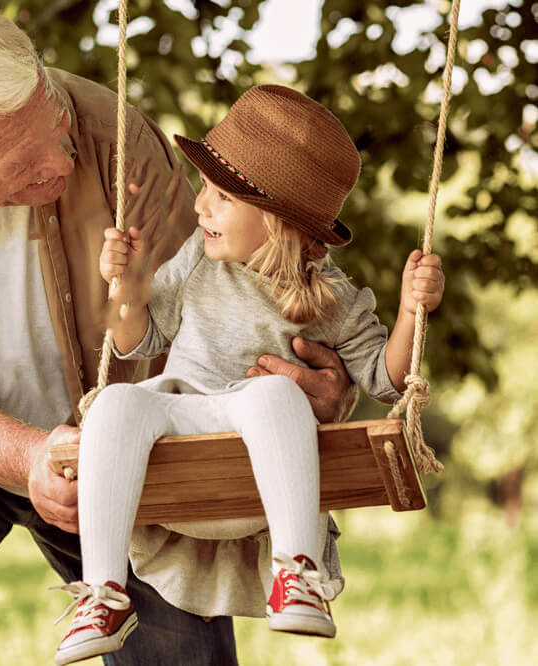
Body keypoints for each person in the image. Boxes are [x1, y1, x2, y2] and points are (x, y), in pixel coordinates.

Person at [0, 5, 357, 664]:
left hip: (128, 426)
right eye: (24, 167)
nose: (62, 164)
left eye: (57, 129)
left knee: (181, 656)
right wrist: (32, 455)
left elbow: (211, 307)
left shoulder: (111, 130)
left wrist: (301, 383)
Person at [53, 84, 444, 665]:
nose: (198, 207)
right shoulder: (196, 261)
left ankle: (298, 574)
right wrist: (129, 289)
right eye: (204, 191)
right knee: (114, 404)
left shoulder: (332, 297)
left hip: (257, 466)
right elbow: (140, 341)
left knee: (272, 393)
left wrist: (413, 313)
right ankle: (104, 593)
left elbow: (385, 379)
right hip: (183, 424)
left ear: (277, 218)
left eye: (220, 197)